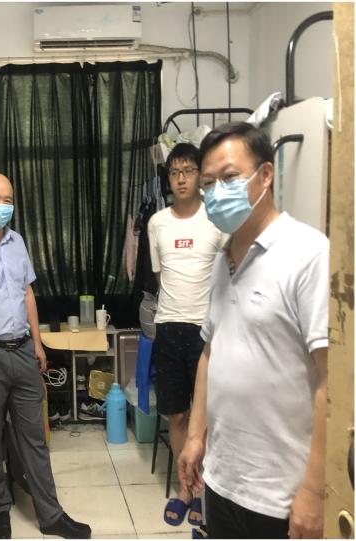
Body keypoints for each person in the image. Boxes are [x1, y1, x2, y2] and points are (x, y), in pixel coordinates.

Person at [177, 122, 328, 539]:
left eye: (229, 177)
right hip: (222, 478)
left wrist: (315, 489)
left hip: (281, 493)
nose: (216, 192)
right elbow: (210, 352)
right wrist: (195, 436)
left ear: (265, 175)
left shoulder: (309, 253)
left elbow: (331, 379)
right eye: (209, 184)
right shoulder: (222, 260)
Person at [0, 173, 90, 539]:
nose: (2, 206)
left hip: (23, 350)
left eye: (8, 200)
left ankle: (51, 514)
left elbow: (27, 294)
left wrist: (38, 344)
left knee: (35, 438)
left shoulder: (18, 242)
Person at [147, 143, 224, 526]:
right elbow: (160, 275)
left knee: (206, 416)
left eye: (188, 171)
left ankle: (207, 489)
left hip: (206, 331)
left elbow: (228, 275)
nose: (180, 179)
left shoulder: (216, 220)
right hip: (168, 327)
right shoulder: (157, 223)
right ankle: (186, 489)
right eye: (174, 172)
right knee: (176, 413)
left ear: (200, 176)